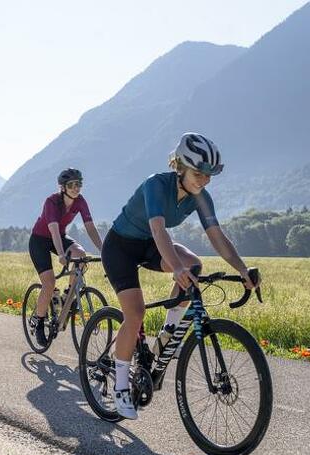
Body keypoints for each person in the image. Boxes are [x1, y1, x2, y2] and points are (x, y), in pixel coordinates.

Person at [101, 133, 259, 420]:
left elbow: (217, 236)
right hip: (120, 247)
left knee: (194, 264)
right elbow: (160, 231)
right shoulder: (155, 185)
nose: (204, 180)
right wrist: (175, 268)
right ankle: (121, 386)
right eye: (199, 173)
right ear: (180, 166)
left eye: (209, 175)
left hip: (149, 246)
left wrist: (242, 269)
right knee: (134, 314)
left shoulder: (200, 197)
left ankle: (167, 332)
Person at [28, 168, 103, 346]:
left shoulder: (80, 201)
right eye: (71, 185)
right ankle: (39, 322)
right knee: (49, 283)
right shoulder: (52, 202)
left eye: (79, 184)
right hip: (40, 240)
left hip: (58, 237)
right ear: (63, 187)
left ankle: (68, 297)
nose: (76, 188)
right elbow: (53, 230)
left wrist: (103, 250)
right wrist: (61, 254)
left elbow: (90, 227)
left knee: (81, 255)